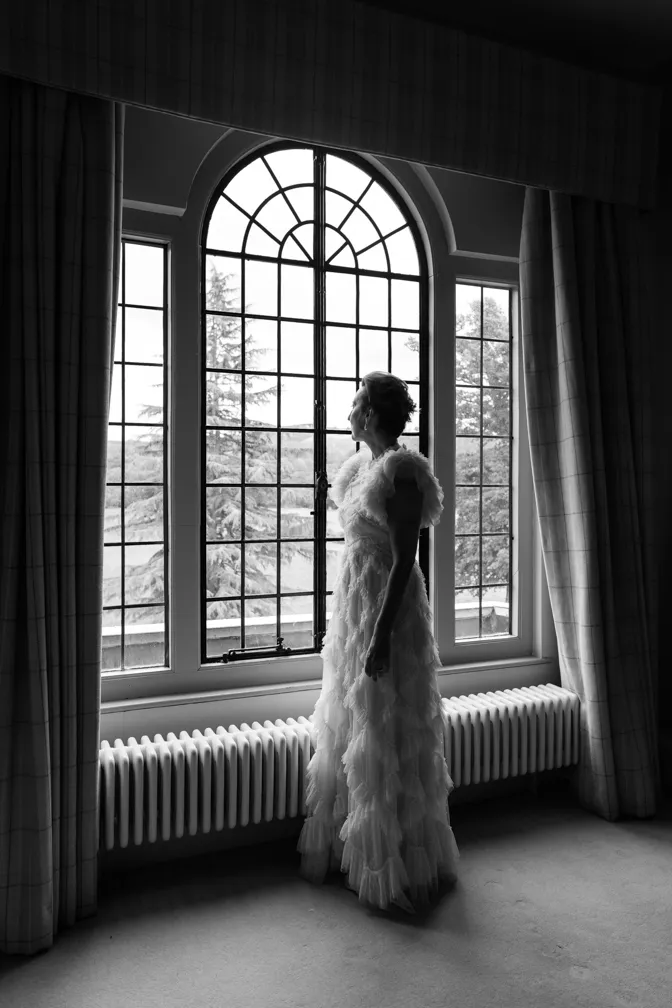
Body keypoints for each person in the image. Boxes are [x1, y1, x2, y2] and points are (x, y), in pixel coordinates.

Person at [297, 371, 459, 914]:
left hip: (390, 609)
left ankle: (396, 859)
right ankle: (357, 851)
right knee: (352, 717)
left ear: (371, 415)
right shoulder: (359, 468)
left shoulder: (402, 472)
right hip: (354, 603)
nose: (348, 413)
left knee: (387, 722)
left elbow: (405, 558)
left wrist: (382, 636)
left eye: (354, 404)